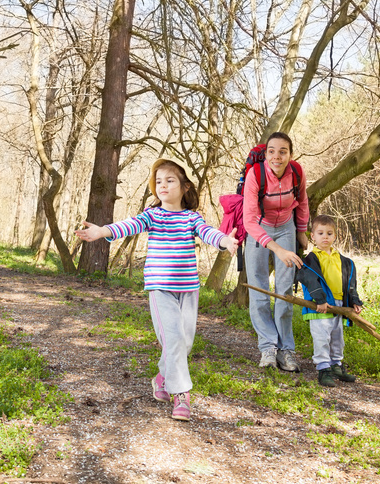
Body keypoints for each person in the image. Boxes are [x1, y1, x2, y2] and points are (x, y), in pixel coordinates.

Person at [75, 158, 238, 421]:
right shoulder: (153, 215)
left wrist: (224, 241)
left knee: (184, 342)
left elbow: (209, 233)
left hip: (188, 289)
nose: (163, 185)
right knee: (173, 339)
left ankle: (163, 376)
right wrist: (102, 231)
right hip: (160, 287)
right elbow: (128, 225)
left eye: (170, 180)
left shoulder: (191, 218)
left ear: (185, 187)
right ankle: (181, 394)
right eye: (158, 181)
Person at [243, 132, 309, 371]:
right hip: (259, 228)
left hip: (286, 227)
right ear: (265, 153)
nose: (276, 156)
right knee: (259, 289)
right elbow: (249, 220)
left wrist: (301, 231)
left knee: (284, 292)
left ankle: (286, 350)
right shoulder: (255, 174)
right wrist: (277, 249)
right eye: (271, 151)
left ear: (291, 154)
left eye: (283, 151)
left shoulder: (297, 172)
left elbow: (302, 202)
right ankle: (268, 348)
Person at [295, 214, 363, 386]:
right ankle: (323, 369)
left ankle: (336, 366)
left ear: (335, 236)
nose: (325, 236)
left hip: (339, 305)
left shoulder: (345, 261)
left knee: (337, 338)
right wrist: (320, 300)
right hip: (320, 306)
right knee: (322, 338)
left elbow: (350, 284)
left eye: (329, 233)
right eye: (320, 233)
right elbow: (310, 281)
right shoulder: (309, 260)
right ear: (313, 236)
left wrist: (354, 301)